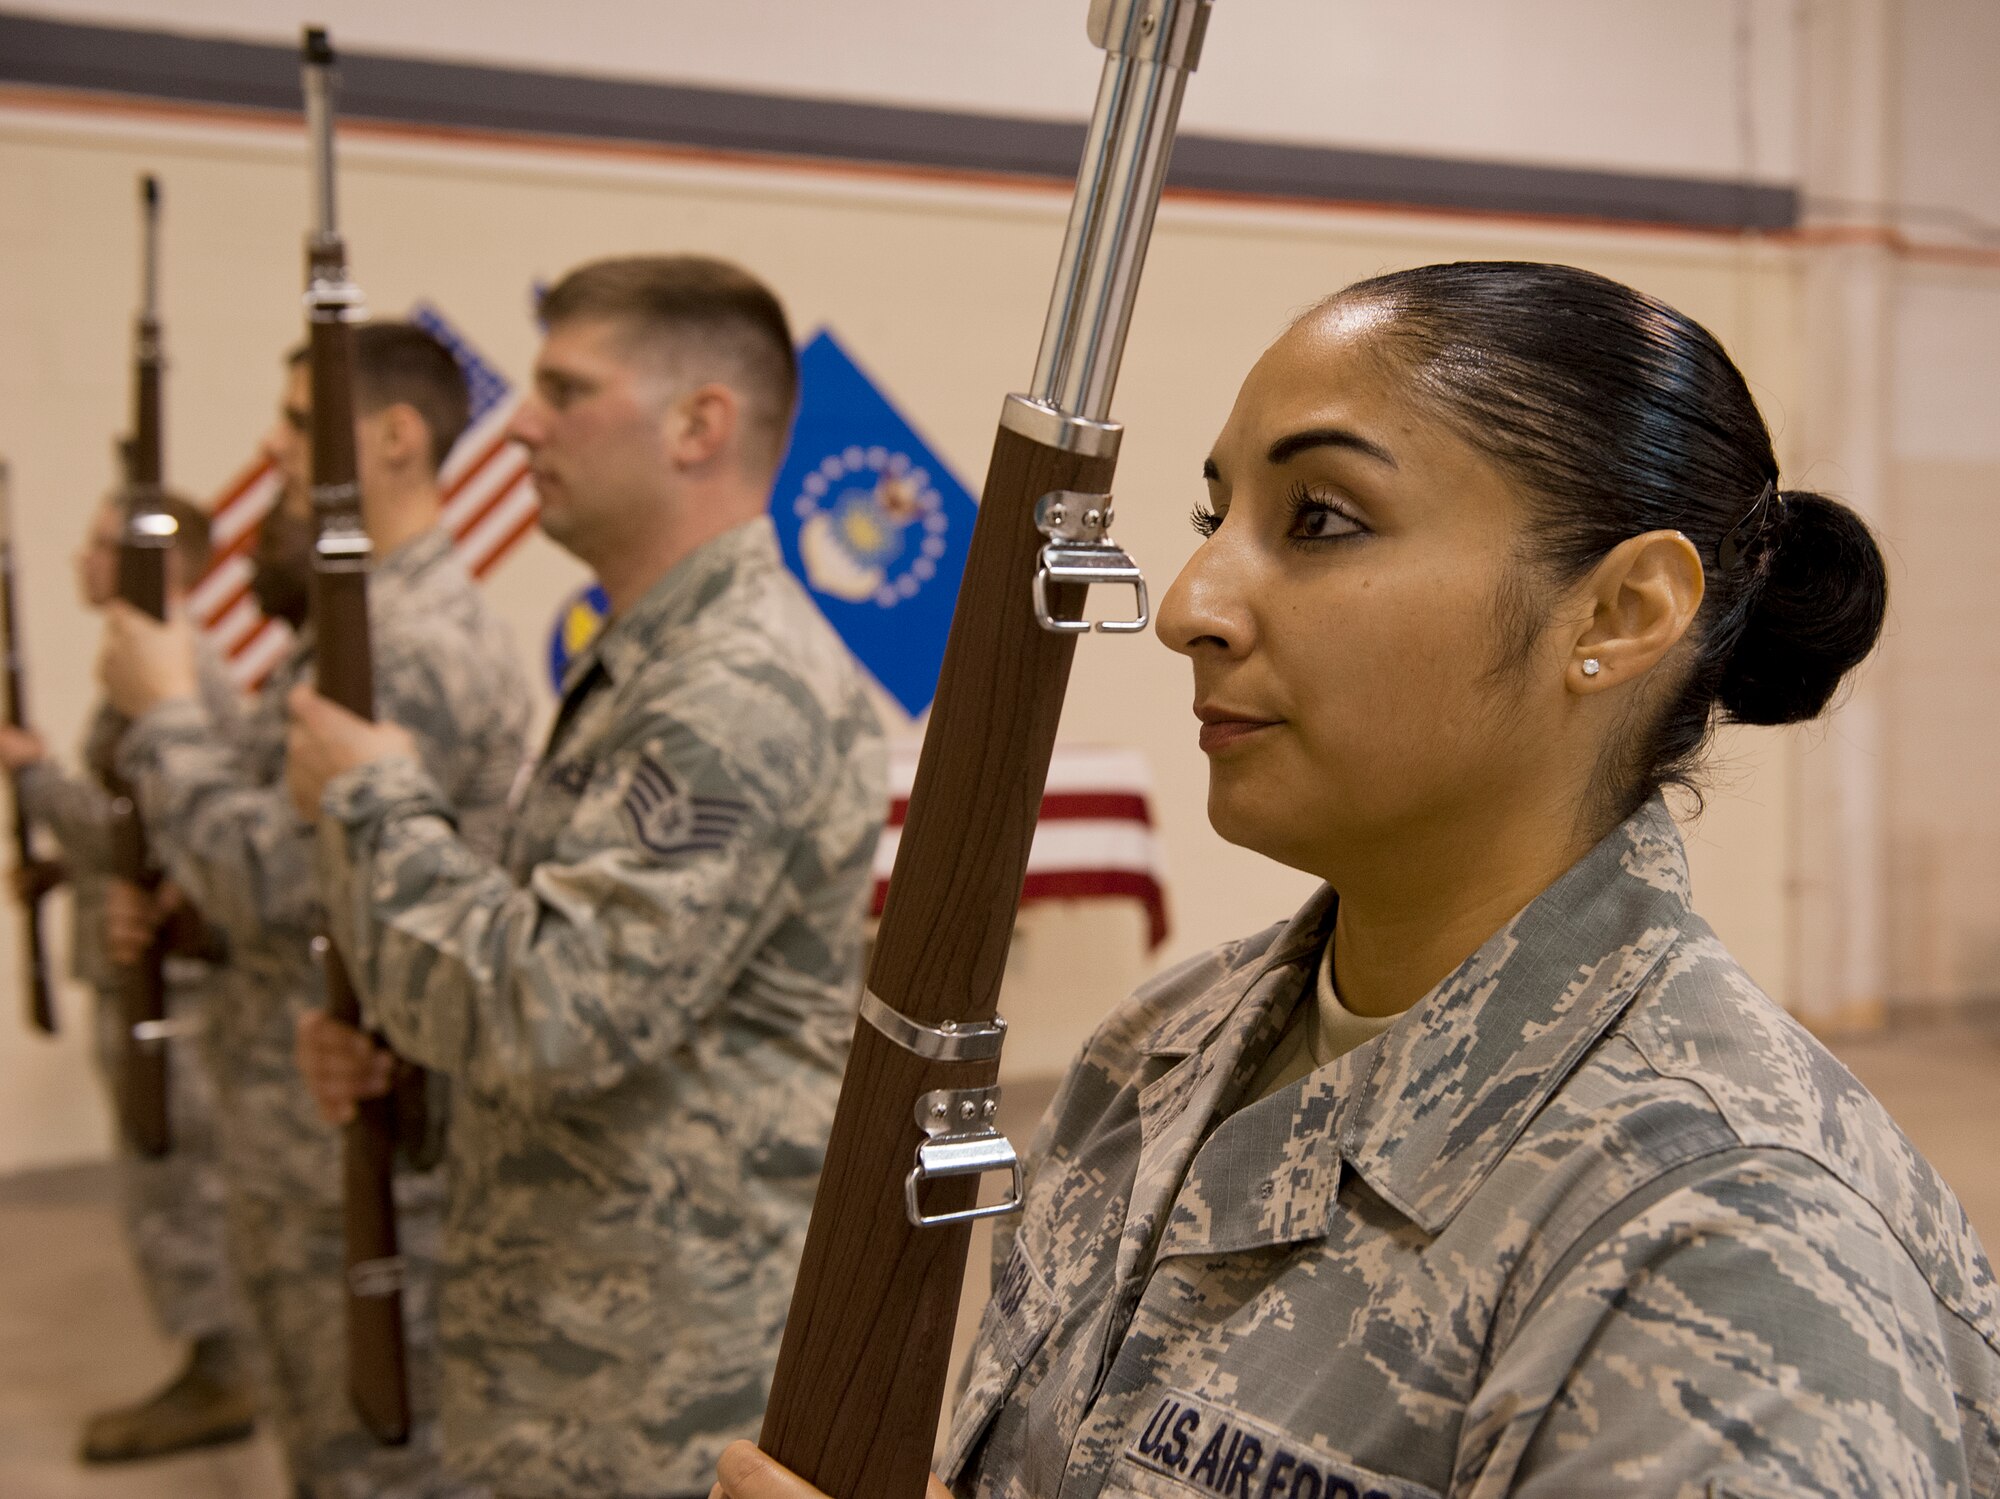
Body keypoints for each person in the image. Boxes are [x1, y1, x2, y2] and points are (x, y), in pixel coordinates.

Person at [712, 262, 2000, 1499]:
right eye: (1214, 519)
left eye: (1320, 520)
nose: (1190, 602)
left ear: (1615, 613)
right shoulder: (1153, 1057)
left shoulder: (1732, 1235)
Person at [287, 255, 888, 1499]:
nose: (522, 422)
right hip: (570, 1332)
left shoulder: (735, 683)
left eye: (565, 388)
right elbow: (599, 992)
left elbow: (554, 1008)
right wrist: (414, 1074)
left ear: (697, 423)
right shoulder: (651, 657)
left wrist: (373, 796)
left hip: (663, 1372)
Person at [98, 322, 530, 1499]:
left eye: (297, 420)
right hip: (295, 1131)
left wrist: (167, 714)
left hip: (368, 1148)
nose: (274, 446)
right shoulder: (348, 629)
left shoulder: (412, 643)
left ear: (393, 439)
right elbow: (272, 876)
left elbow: (283, 879)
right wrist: (184, 915)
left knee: (384, 1466)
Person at [0, 486, 258, 1464]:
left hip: (177, 992)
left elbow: (201, 836)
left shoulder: (180, 680)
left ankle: (223, 1370)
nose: (84, 556)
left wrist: (32, 778)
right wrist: (72, 863)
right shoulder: (135, 675)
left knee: (182, 1178)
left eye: (105, 542)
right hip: (136, 974)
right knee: (163, 1177)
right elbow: (135, 829)